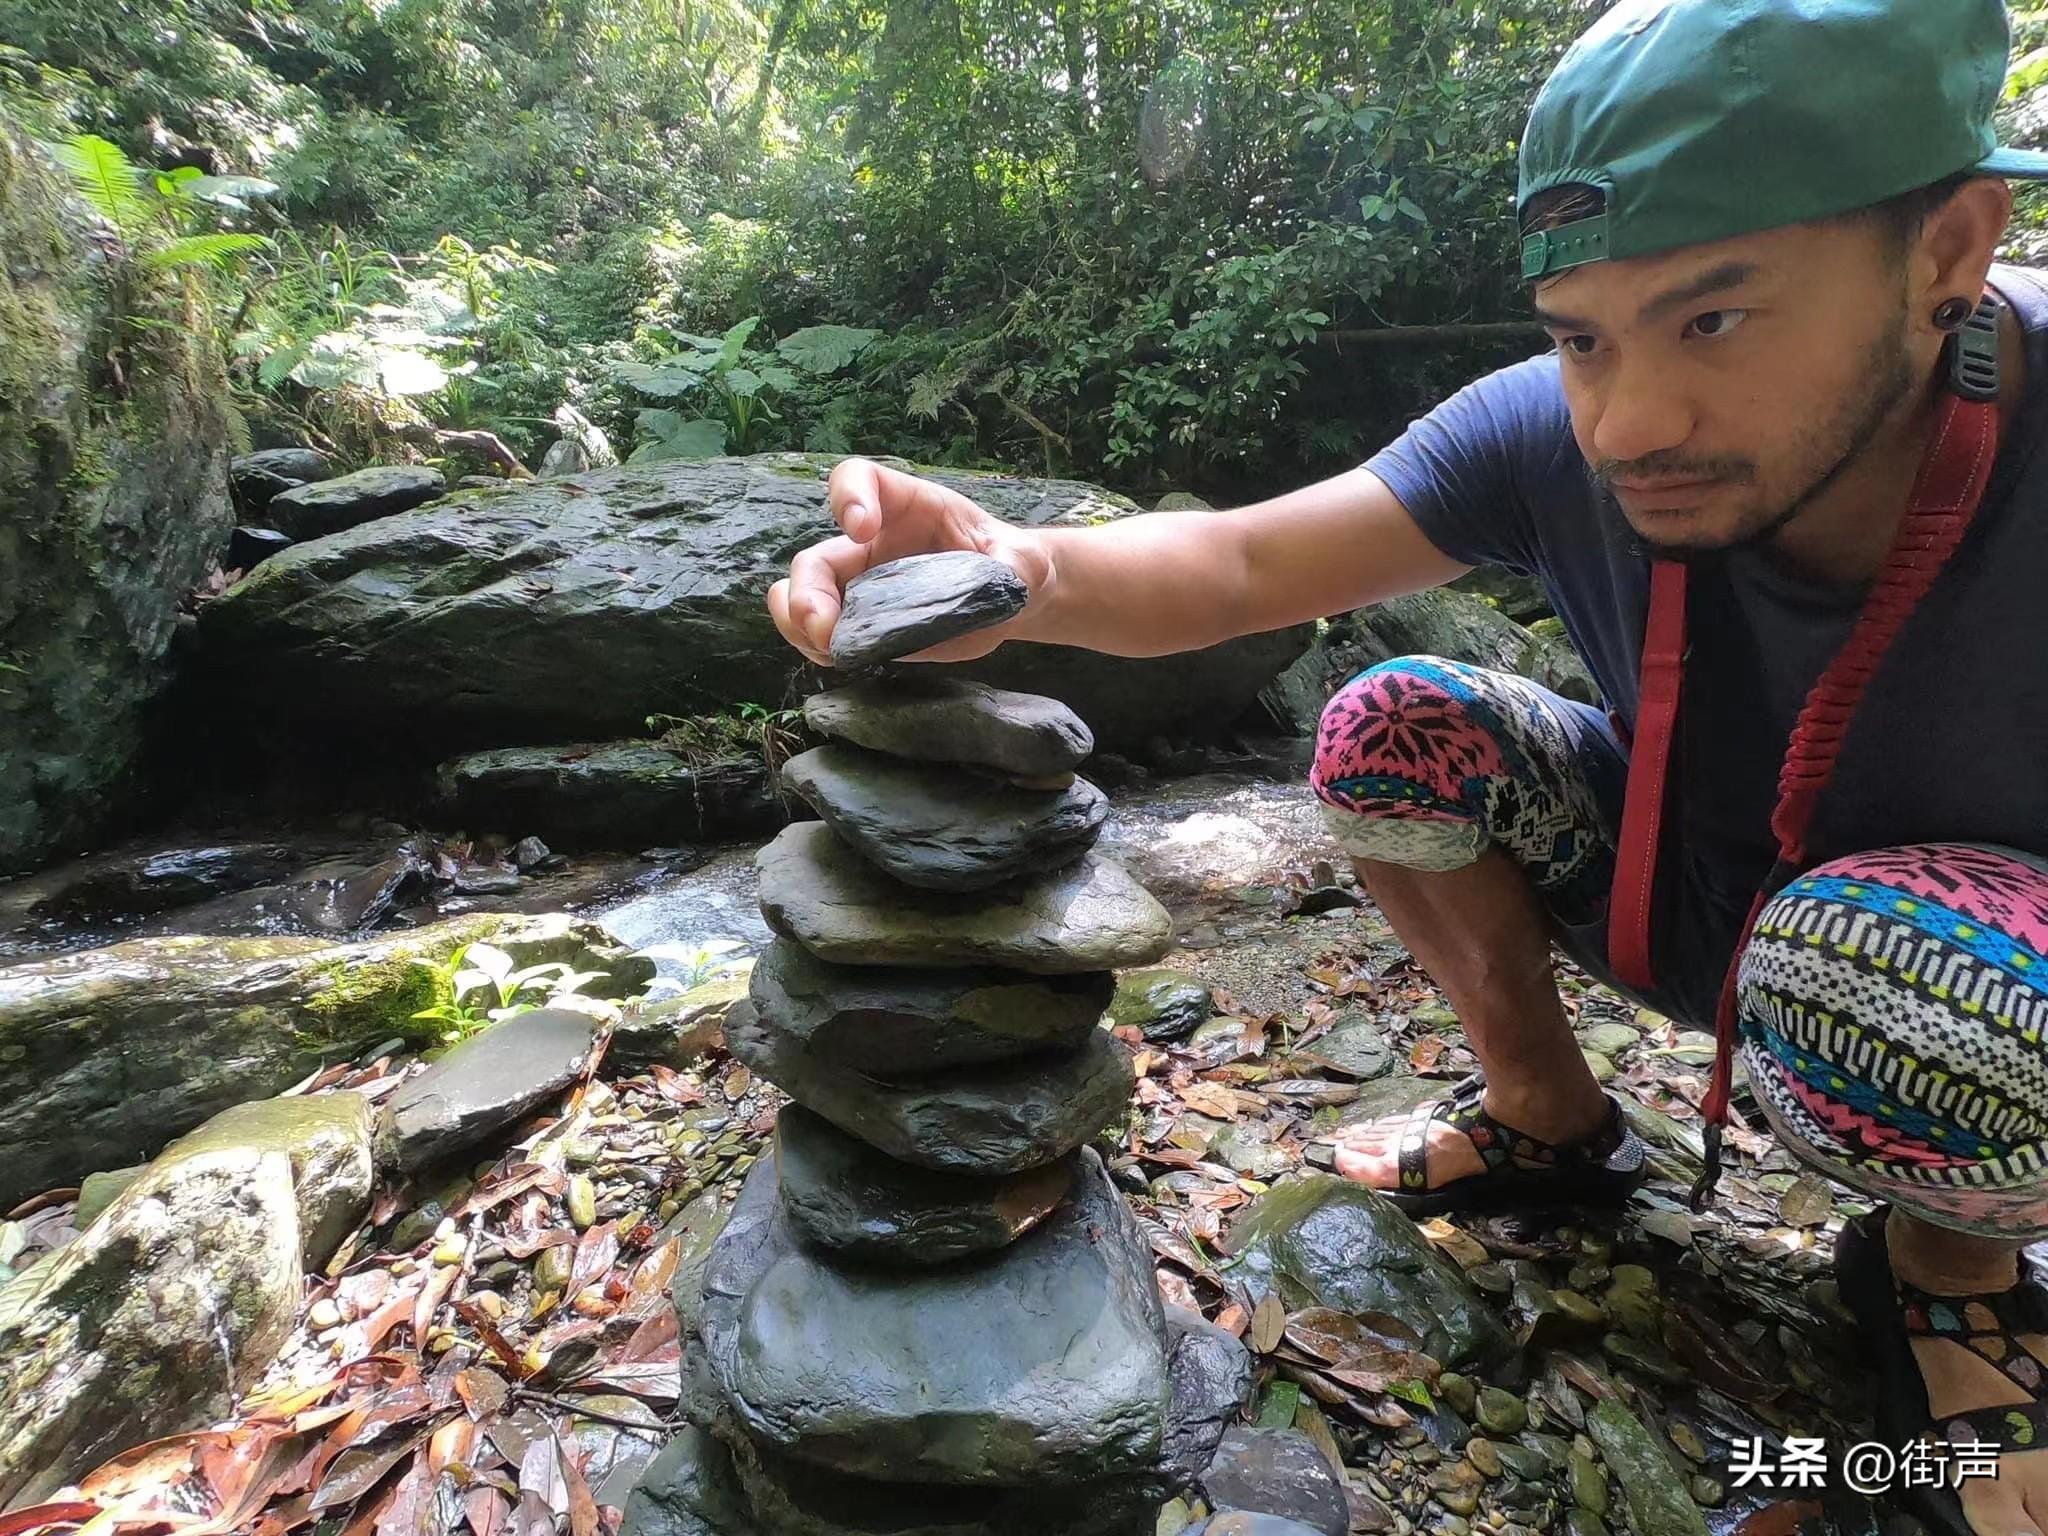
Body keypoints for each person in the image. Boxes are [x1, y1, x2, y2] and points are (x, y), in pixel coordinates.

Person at [769, 2, 2048, 1530]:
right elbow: (1244, 562)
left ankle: (1952, 1261)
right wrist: (1016, 564)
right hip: (1685, 887)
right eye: (1582, 336)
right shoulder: (1556, 436)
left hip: (1968, 980)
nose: (1631, 419)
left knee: (1897, 981)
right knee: (1389, 726)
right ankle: (1549, 1118)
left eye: (1716, 317)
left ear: (1952, 248)